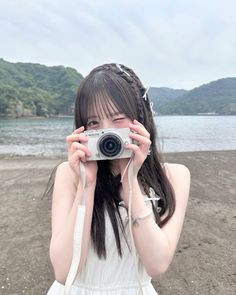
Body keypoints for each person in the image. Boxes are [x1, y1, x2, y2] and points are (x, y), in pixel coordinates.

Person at [46, 63, 191, 295]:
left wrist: (129, 180)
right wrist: (87, 185)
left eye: (117, 118)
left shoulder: (175, 176)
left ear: (141, 117)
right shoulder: (69, 174)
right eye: (94, 123)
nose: (107, 132)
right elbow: (64, 272)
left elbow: (157, 265)